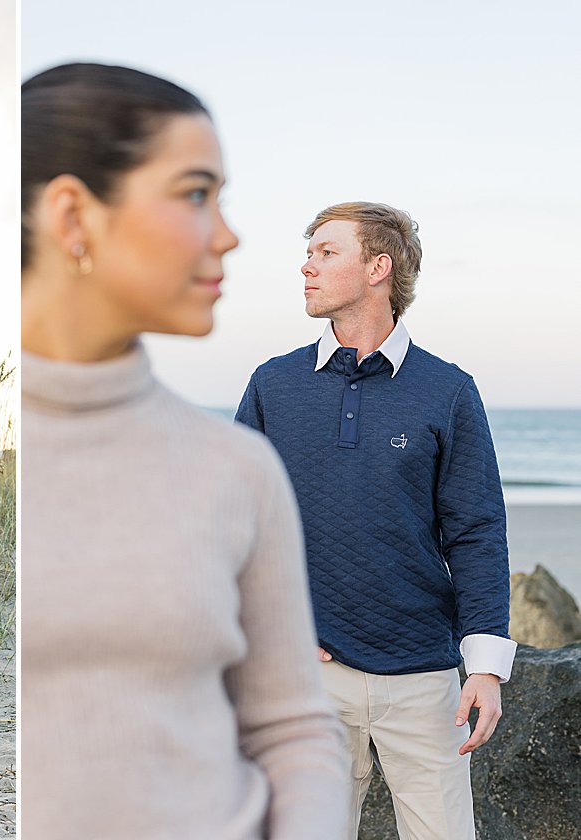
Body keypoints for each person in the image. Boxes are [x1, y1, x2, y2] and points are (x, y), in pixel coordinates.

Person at [21, 62, 349, 839]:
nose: (230, 234)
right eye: (197, 193)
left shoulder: (236, 467)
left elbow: (296, 730)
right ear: (73, 215)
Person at [235, 202, 514, 840]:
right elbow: (236, 525)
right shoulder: (273, 386)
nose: (305, 267)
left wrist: (487, 668)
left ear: (378, 268)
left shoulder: (447, 390)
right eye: (310, 252)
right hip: (311, 678)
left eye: (326, 252)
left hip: (425, 678)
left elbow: (475, 532)